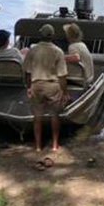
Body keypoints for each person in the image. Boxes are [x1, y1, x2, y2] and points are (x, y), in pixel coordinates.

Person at [23, 24, 67, 152]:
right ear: (52, 36)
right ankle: (54, 145)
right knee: (54, 116)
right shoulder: (58, 51)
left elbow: (28, 72)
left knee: (37, 117)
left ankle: (37, 146)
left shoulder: (33, 50)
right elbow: (62, 75)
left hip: (36, 84)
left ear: (40, 35)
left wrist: (29, 87)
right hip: (53, 86)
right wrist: (65, 92)